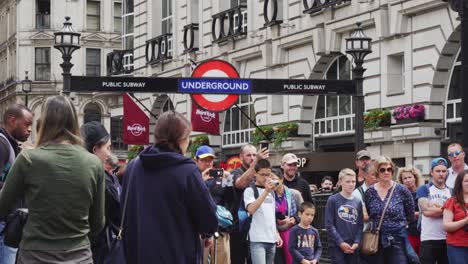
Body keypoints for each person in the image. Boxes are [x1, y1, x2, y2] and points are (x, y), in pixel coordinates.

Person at [0, 96, 105, 263]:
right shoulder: (93, 163)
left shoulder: (28, 159)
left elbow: (2, 205)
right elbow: (98, 223)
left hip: (35, 255)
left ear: (43, 121)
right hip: (79, 256)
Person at [122, 111, 217, 264]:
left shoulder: (133, 166)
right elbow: (208, 218)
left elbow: (124, 211)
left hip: (138, 254)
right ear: (181, 139)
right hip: (177, 255)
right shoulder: (187, 170)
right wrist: (208, 233)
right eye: (188, 138)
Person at [81, 121, 121, 263]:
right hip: (97, 250)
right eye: (108, 148)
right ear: (95, 149)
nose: (109, 153)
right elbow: (117, 219)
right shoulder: (103, 181)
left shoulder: (71, 173)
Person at [365, 156, 414, 264]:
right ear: (377, 172)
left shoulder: (402, 190)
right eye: (382, 170)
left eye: (389, 169)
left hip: (397, 238)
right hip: (376, 240)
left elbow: (410, 215)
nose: (386, 172)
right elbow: (371, 213)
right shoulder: (369, 192)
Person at [0, 104, 33, 263]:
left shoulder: (10, 145)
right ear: (13, 121)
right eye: (27, 124)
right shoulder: (2, 146)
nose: (30, 130)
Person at [230, 144, 269, 264]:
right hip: (239, 226)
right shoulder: (236, 171)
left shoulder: (259, 173)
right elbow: (240, 184)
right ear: (241, 157)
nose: (252, 158)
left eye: (254, 155)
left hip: (257, 227)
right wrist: (256, 162)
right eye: (249, 155)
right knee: (238, 260)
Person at [194, 145, 233, 264]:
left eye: (210, 160)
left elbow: (231, 200)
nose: (208, 163)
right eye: (204, 160)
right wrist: (201, 180)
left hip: (219, 229)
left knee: (222, 260)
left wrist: (229, 180)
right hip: (200, 231)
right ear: (196, 160)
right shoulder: (193, 176)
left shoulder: (222, 178)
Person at [244, 159, 283, 264]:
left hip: (271, 238)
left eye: (268, 174)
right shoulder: (250, 190)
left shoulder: (272, 192)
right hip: (257, 239)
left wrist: (277, 234)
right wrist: (266, 191)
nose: (266, 178)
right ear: (255, 174)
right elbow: (251, 209)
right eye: (262, 174)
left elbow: (271, 216)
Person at [416, 158, 451, 264]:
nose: (441, 174)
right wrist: (447, 209)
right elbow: (426, 212)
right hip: (428, 238)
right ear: (431, 172)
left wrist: (435, 209)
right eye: (438, 171)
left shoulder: (451, 191)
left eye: (443, 171)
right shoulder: (424, 189)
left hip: (447, 239)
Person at [326, 168, 363, 264]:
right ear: (340, 182)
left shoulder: (358, 202)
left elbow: (360, 224)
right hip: (336, 246)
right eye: (348, 181)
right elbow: (329, 224)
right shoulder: (333, 200)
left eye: (353, 181)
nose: (351, 184)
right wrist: (340, 242)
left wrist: (357, 242)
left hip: (352, 246)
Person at [271, 167, 299, 264]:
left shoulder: (292, 193)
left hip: (290, 232)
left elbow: (301, 212)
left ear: (281, 179)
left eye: (274, 179)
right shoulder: (267, 194)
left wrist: (294, 219)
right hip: (274, 233)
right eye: (269, 179)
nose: (272, 182)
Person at [442, 170, 468, 262]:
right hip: (458, 247)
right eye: (466, 181)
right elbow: (446, 226)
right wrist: (465, 221)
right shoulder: (452, 201)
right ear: (460, 183)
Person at [397, 166, 422, 255]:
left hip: (424, 233)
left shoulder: (423, 192)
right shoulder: (400, 196)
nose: (408, 180)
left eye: (410, 177)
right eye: (405, 178)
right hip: (409, 233)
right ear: (402, 181)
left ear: (415, 178)